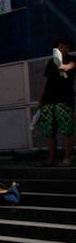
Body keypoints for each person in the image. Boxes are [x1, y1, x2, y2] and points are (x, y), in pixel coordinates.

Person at [38, 38, 75, 167]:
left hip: (64, 100)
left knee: (66, 131)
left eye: (65, 46)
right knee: (49, 131)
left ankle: (67, 159)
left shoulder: (72, 60)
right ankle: (51, 159)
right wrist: (41, 99)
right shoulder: (50, 62)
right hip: (48, 101)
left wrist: (62, 65)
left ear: (68, 48)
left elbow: (69, 67)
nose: (62, 48)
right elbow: (46, 81)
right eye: (59, 46)